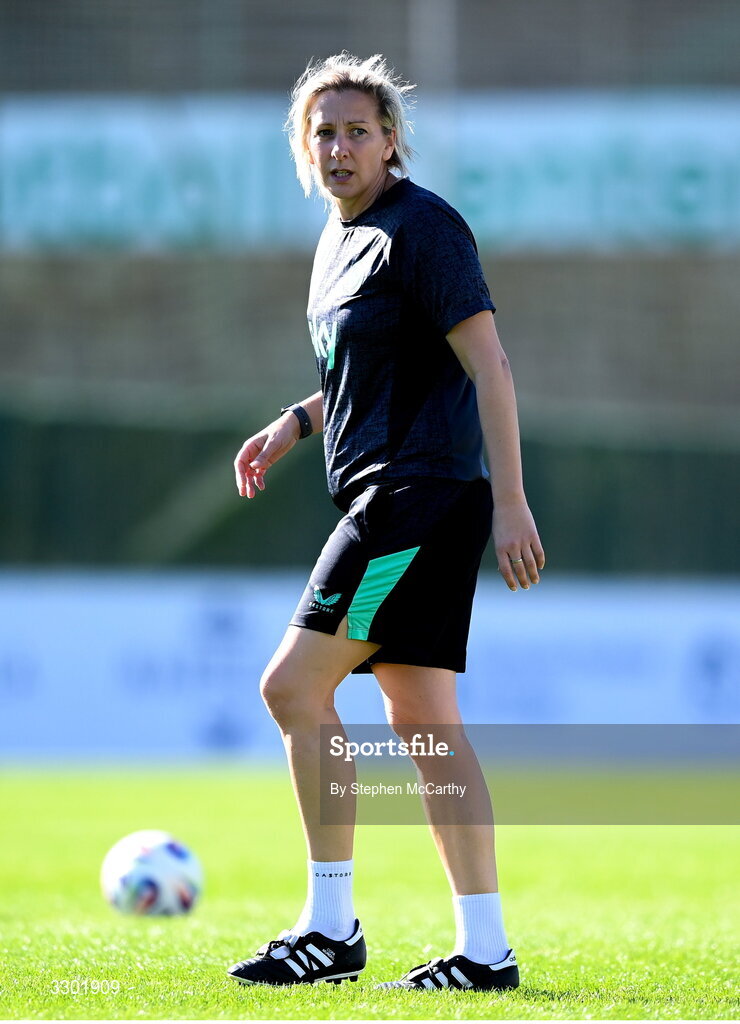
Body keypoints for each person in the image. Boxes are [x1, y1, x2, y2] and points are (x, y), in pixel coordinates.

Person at [227, 52, 544, 992]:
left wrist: (514, 500)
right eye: (322, 132)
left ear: (392, 140)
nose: (339, 147)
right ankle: (485, 952)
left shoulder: (423, 227)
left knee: (292, 688)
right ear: (302, 147)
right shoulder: (339, 242)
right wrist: (292, 424)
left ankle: (329, 929)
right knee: (425, 723)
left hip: (414, 499)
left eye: (358, 130)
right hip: (407, 495)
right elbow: (365, 376)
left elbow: (488, 365)